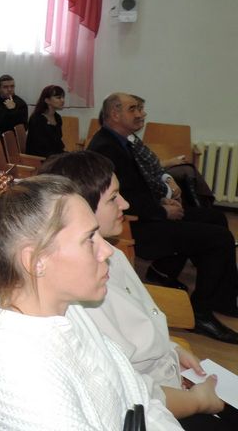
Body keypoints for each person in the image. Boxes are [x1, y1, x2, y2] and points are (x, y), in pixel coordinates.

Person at [0, 174, 182, 430]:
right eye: (89, 239)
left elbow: (137, 396)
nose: (107, 251)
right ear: (36, 261)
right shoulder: (14, 368)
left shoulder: (68, 309)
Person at [41, 151, 237, 429]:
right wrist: (197, 401)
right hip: (152, 408)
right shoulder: (77, 296)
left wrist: (171, 350)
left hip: (166, 384)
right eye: (113, 198)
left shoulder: (115, 256)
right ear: (82, 209)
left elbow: (140, 327)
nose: (125, 203)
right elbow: (126, 393)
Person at [88, 93, 238, 343]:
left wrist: (162, 201)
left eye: (141, 109)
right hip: (134, 226)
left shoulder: (123, 140)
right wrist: (162, 211)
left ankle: (216, 295)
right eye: (133, 109)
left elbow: (138, 187)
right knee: (219, 238)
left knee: (215, 219)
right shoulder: (106, 148)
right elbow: (118, 199)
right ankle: (200, 313)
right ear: (114, 114)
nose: (141, 114)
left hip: (146, 213)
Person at [25, 84, 66, 157]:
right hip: (39, 158)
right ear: (47, 100)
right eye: (58, 98)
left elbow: (57, 143)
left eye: (63, 97)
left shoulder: (57, 117)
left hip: (53, 155)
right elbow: (39, 148)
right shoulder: (37, 119)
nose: (62, 100)